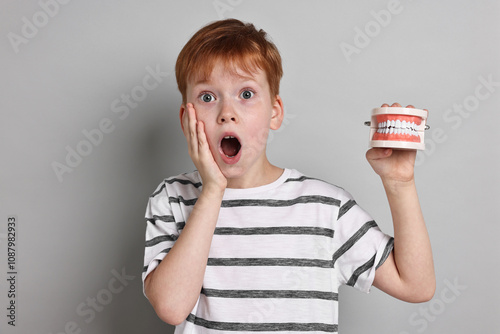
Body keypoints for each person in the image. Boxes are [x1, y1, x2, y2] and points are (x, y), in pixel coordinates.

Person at [142, 18, 435, 333]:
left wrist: (399, 183)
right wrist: (213, 190)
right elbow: (171, 307)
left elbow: (416, 286)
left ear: (275, 112)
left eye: (246, 94)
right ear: (187, 120)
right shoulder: (172, 198)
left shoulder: (326, 208)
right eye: (208, 97)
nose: (227, 112)